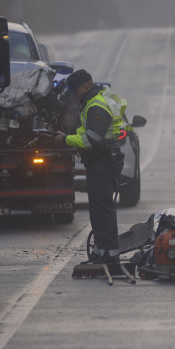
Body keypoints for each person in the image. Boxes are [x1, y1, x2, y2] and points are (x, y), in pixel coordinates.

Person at [55, 69, 126, 264]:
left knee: (103, 208)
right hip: (100, 161)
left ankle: (110, 254)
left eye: (76, 92)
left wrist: (66, 139)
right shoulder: (92, 102)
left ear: (86, 87)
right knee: (98, 207)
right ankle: (102, 250)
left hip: (104, 162)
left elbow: (93, 138)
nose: (74, 96)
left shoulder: (96, 106)